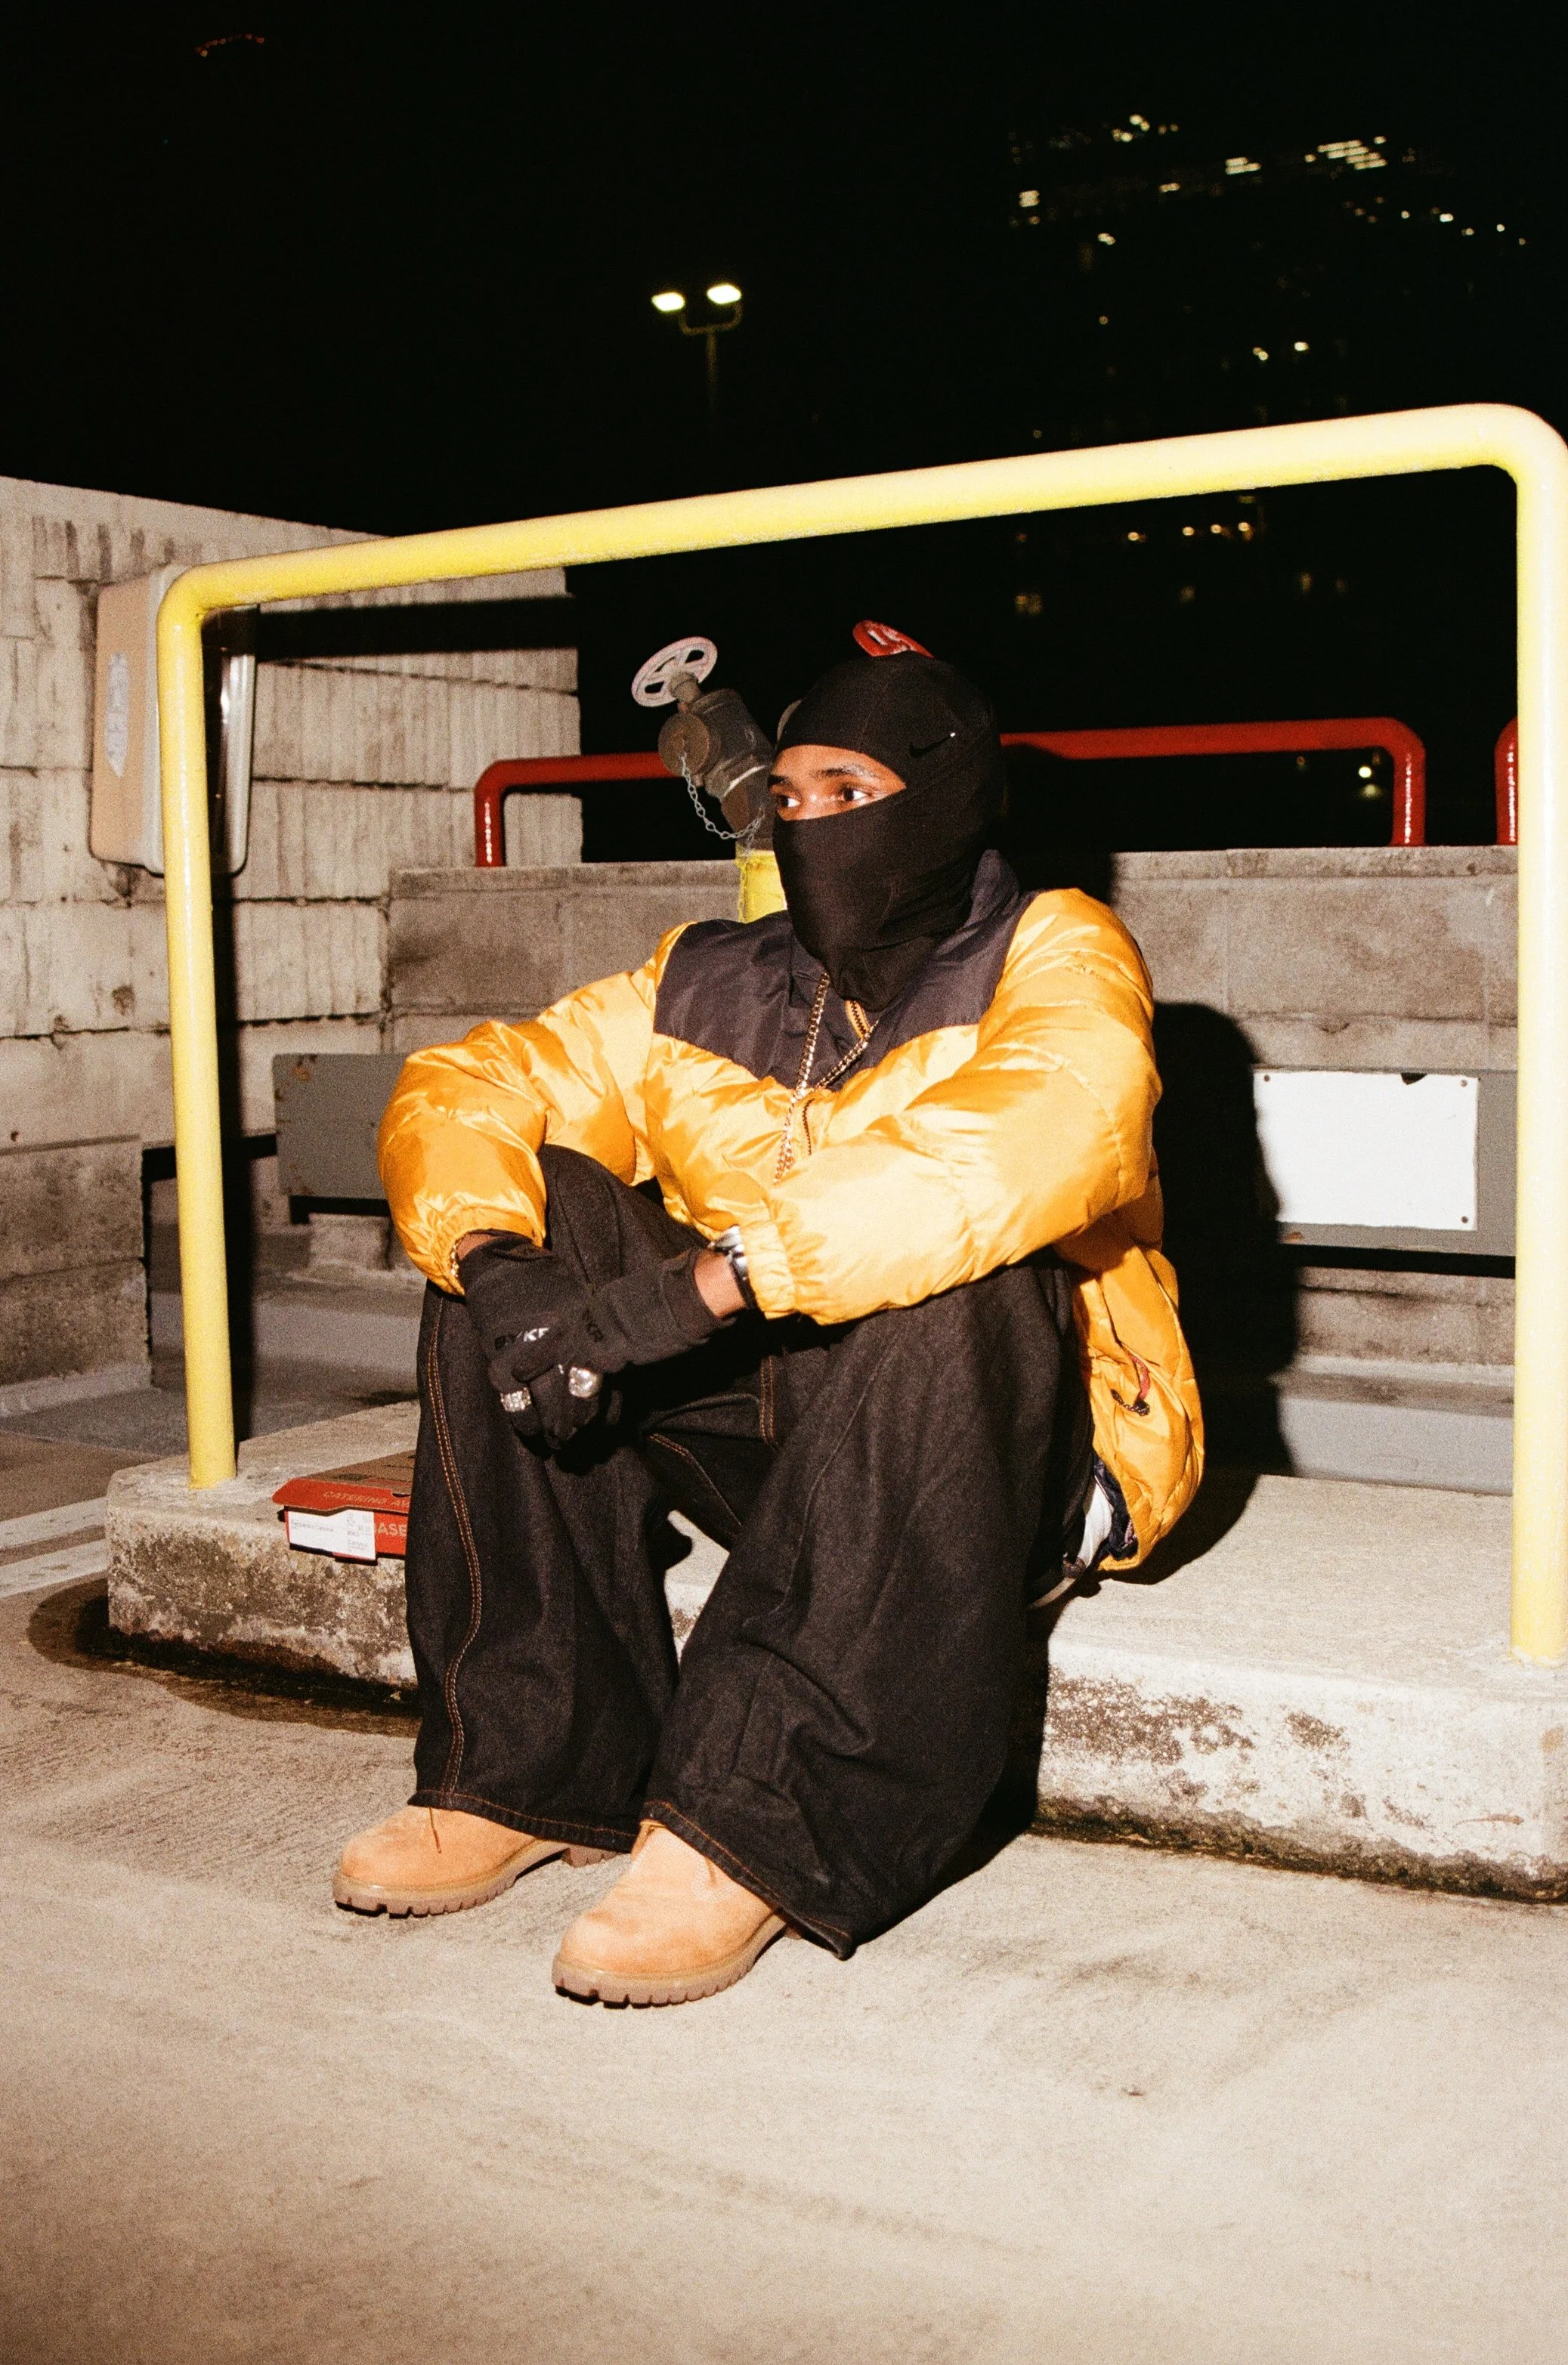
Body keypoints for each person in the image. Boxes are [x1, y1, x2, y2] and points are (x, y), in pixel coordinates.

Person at [335, 628, 1202, 2006]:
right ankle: (525, 1762)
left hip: (996, 1436)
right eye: (787, 800)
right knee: (530, 1212)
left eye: (849, 795)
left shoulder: (1054, 951)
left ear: (951, 798)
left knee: (959, 1261)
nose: (809, 829)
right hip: (790, 1429)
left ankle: (753, 1817)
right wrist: (503, 1268)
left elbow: (1036, 1133)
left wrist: (701, 1287)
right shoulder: (707, 976)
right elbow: (471, 1081)